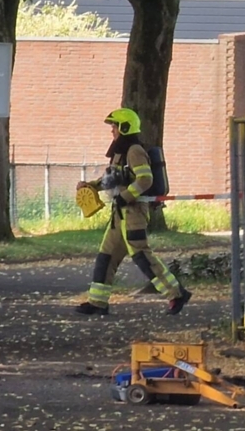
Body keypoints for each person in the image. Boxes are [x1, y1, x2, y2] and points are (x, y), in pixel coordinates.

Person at [74, 108, 190, 316]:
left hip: (133, 214)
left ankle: (177, 293)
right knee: (106, 257)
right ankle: (97, 303)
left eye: (115, 127)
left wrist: (125, 196)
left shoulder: (135, 151)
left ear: (125, 127)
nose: (112, 131)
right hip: (120, 215)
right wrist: (89, 186)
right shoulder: (120, 153)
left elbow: (145, 180)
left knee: (141, 256)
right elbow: (110, 180)